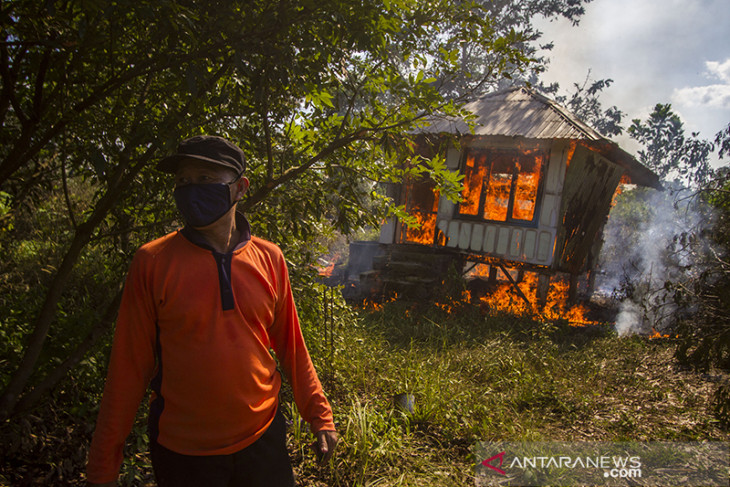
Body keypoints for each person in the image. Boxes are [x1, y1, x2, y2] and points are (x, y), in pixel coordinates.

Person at [86, 135, 338, 486]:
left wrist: (320, 416)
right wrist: (102, 469)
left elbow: (292, 346)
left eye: (205, 179)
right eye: (183, 181)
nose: (191, 190)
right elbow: (127, 370)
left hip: (263, 440)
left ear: (239, 188)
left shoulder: (270, 259)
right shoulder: (153, 262)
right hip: (184, 454)